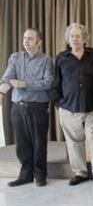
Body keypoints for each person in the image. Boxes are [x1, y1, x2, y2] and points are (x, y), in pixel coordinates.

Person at [52, 22, 93, 186]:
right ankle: (80, 172)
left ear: (84, 39)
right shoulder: (61, 58)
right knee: (74, 142)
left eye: (78, 36)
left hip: (91, 106)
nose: (75, 39)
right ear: (68, 40)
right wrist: (59, 104)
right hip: (68, 107)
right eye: (72, 36)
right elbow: (56, 82)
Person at [0, 28, 54, 187]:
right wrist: (1, 93)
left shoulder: (46, 60)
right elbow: (7, 78)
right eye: (24, 38)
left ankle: (40, 176)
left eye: (30, 38)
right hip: (18, 107)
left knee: (39, 143)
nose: (26, 41)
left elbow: (48, 82)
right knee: (22, 144)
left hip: (38, 107)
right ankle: (26, 175)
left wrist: (24, 84)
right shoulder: (15, 58)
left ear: (39, 42)